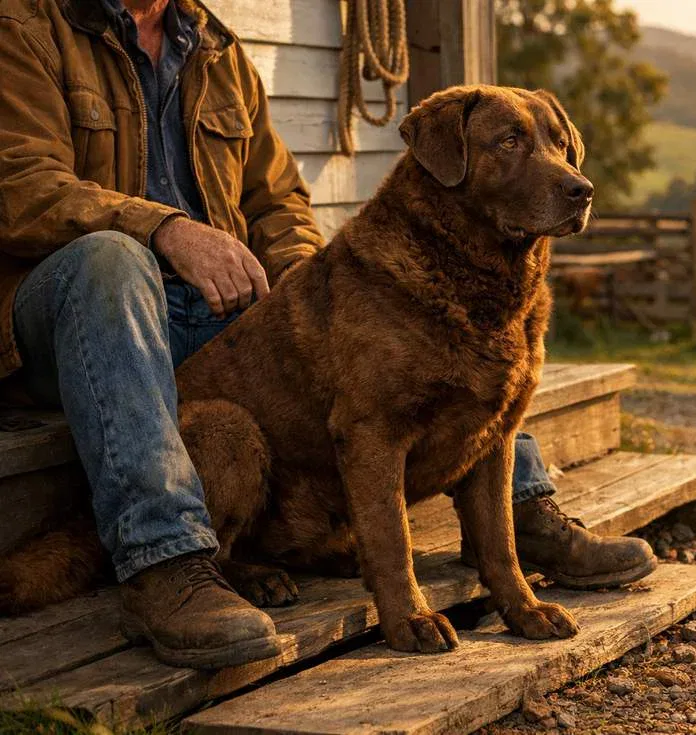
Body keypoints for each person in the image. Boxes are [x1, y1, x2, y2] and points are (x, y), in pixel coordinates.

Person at [0, 0, 656, 668]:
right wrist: (164, 227)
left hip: (219, 313)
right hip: (85, 320)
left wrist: (319, 293)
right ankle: (166, 563)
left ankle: (520, 509)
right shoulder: (25, 27)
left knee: (435, 344)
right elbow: (20, 186)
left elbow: (277, 199)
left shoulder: (212, 48)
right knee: (112, 258)